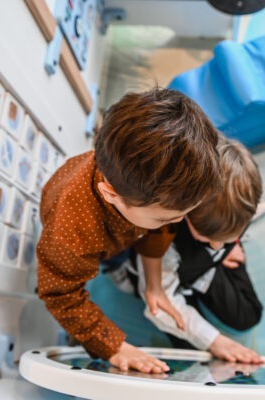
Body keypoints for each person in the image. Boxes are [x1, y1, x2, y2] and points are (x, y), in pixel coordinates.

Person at [36, 88, 222, 374]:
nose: (180, 222)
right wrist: (113, 347)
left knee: (143, 234)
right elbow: (61, 295)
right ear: (110, 194)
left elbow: (159, 223)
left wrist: (154, 283)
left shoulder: (144, 192)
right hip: (102, 243)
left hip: (127, 227)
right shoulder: (71, 236)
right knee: (115, 262)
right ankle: (116, 266)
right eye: (168, 218)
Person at [120, 136, 263, 363]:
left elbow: (234, 220)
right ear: (187, 208)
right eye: (208, 238)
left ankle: (222, 247)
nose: (216, 246)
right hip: (174, 274)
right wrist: (215, 341)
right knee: (192, 351)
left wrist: (230, 246)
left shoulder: (237, 216)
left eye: (227, 238)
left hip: (205, 269)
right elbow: (158, 297)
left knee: (248, 316)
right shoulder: (164, 231)